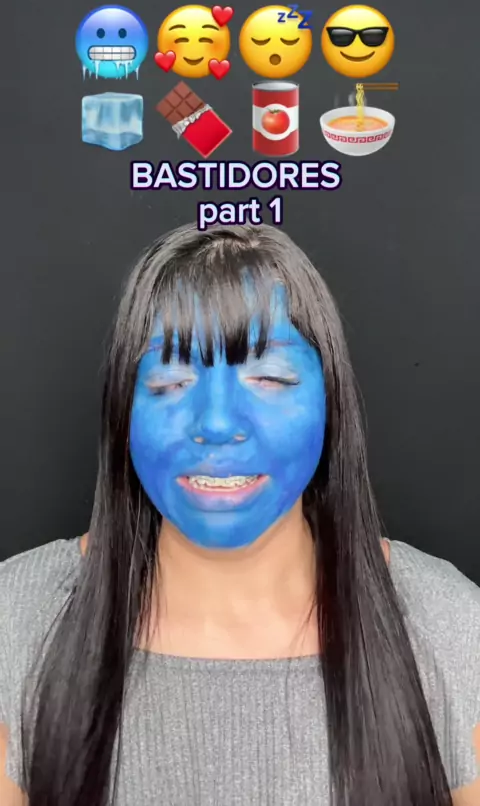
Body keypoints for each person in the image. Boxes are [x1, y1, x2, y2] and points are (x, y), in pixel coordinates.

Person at [0, 222, 479, 806]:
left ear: (331, 403)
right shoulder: (18, 620)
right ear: (122, 412)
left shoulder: (446, 624)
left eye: (269, 378)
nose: (218, 423)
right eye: (170, 381)